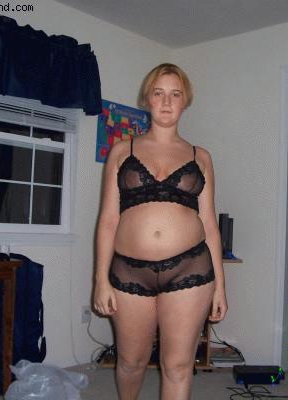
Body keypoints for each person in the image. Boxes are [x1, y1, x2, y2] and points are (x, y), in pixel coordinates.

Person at [93, 63, 228, 400]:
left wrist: (221, 287)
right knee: (131, 362)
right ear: (147, 99)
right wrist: (100, 280)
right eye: (159, 93)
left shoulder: (201, 157)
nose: (167, 102)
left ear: (185, 101)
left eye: (175, 94)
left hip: (190, 268)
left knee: (178, 366)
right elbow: (108, 220)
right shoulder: (122, 151)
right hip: (128, 270)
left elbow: (210, 225)